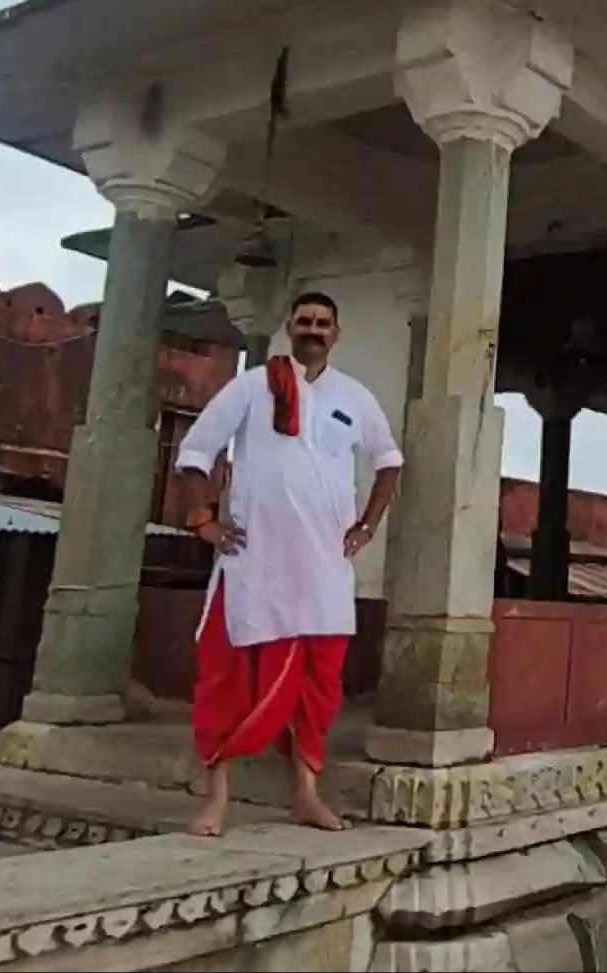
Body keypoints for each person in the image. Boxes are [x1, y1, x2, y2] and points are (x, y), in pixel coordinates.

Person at [173, 291, 403, 835]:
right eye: (305, 321)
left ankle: (306, 796)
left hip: (323, 570)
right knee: (229, 681)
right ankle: (216, 804)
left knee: (317, 688)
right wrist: (202, 519)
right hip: (254, 562)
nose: (314, 330)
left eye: (324, 323)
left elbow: (388, 461)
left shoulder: (355, 397)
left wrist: (367, 524)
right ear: (288, 327)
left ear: (336, 333)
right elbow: (195, 452)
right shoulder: (253, 385)